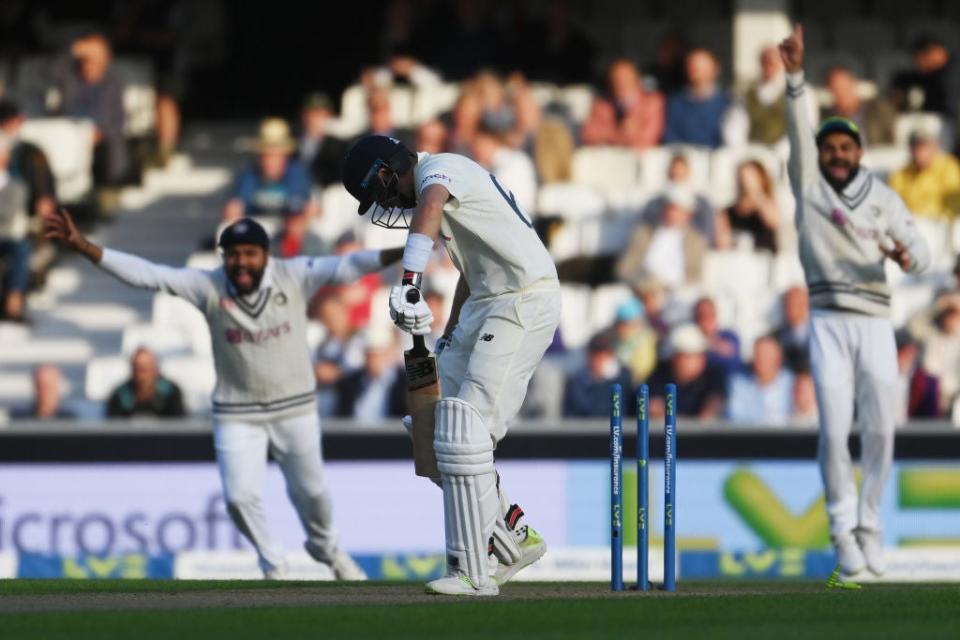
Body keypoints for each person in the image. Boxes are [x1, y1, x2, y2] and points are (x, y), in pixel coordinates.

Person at [46, 210, 404, 580]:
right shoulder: (209, 286)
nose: (241, 262)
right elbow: (148, 275)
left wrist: (407, 249)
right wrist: (85, 247)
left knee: (312, 494)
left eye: (250, 253)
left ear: (266, 255)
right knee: (237, 499)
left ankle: (327, 549)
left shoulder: (293, 275)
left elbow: (349, 266)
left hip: (294, 407)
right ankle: (273, 562)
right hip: (238, 411)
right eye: (233, 254)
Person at [341, 134, 560, 596]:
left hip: (522, 299)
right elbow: (473, 273)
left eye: (378, 192)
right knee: (433, 428)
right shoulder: (440, 188)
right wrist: (449, 336)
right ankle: (515, 536)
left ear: (387, 170)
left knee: (467, 430)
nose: (385, 203)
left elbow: (430, 205)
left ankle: (472, 571)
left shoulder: (440, 170)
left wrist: (409, 280)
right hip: (486, 301)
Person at [780, 24, 930, 579]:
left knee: (882, 431)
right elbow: (798, 132)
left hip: (874, 322)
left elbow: (921, 249)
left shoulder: (883, 197)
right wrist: (796, 76)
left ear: (859, 152)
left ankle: (871, 527)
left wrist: (910, 258)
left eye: (845, 147)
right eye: (828, 148)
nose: (836, 155)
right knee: (834, 429)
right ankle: (842, 529)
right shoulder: (810, 189)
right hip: (827, 322)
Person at [223, 119, 317, 222]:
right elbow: (237, 206)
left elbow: (306, 206)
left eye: (275, 155)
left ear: (285, 155)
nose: (270, 161)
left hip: (288, 230)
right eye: (266, 155)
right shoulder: (248, 175)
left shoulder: (298, 174)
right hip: (255, 230)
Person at [616, 185, 708, 290]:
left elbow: (696, 275)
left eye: (676, 209)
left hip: (677, 293)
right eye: (668, 208)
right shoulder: (644, 233)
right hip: (642, 290)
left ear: (688, 214)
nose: (671, 213)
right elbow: (625, 268)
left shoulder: (696, 240)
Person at [663, 48, 744, 149]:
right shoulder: (676, 103)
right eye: (693, 67)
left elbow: (733, 140)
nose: (697, 71)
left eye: (703, 68)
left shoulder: (729, 102)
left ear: (716, 69)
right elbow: (671, 138)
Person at [646, 323, 726, 420]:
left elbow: (714, 405)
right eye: (689, 356)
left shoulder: (714, 376)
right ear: (674, 358)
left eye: (700, 355)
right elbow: (655, 408)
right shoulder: (659, 376)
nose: (699, 360)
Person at [580, 59, 664, 150]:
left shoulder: (653, 102)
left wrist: (609, 136)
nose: (621, 83)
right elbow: (588, 135)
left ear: (636, 78)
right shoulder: (602, 105)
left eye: (626, 78)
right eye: (616, 79)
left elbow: (647, 139)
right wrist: (619, 133)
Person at [889, 126, 960, 220]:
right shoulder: (900, 175)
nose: (920, 153)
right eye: (916, 148)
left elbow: (954, 201)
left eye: (925, 147)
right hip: (912, 225)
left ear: (935, 147)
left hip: (942, 225)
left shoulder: (948, 167)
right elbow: (892, 206)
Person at [726, 335, 794, 426]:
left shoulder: (793, 383)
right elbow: (735, 417)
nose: (760, 360)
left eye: (766, 356)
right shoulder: (739, 384)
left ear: (778, 359)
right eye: (757, 355)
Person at [715, 160, 780, 254]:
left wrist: (754, 190)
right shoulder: (727, 212)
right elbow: (722, 244)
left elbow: (772, 221)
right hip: (739, 261)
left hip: (765, 262)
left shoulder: (770, 205)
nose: (746, 180)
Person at [563, 331, 633, 417]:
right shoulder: (576, 382)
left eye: (601, 356)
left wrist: (608, 379)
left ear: (611, 356)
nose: (596, 361)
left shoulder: (624, 378)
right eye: (593, 355)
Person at [822, 66, 897, 147]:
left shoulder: (880, 110)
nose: (842, 93)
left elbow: (893, 139)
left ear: (853, 84)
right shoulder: (829, 120)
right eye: (836, 89)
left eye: (845, 87)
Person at [0, 133, 30, 323]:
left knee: (21, 250)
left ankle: (14, 300)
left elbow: (7, 212)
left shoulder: (17, 185)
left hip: (6, 236)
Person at [106, 347, 186, 418]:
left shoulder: (171, 392)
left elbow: (180, 425)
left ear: (155, 368)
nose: (142, 375)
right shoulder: (120, 394)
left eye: (146, 369)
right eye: (138, 369)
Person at [299, 93, 347, 189]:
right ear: (304, 115)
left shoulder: (338, 146)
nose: (316, 119)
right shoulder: (294, 140)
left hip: (326, 194)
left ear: (329, 116)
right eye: (313, 114)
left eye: (321, 114)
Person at [10, 364, 76, 420]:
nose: (44, 392)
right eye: (40, 386)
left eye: (48, 386)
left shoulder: (68, 419)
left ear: (56, 387)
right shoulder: (20, 418)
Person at [774, 285, 811, 373]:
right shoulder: (775, 338)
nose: (792, 308)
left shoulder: (818, 336)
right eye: (788, 304)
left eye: (797, 304)